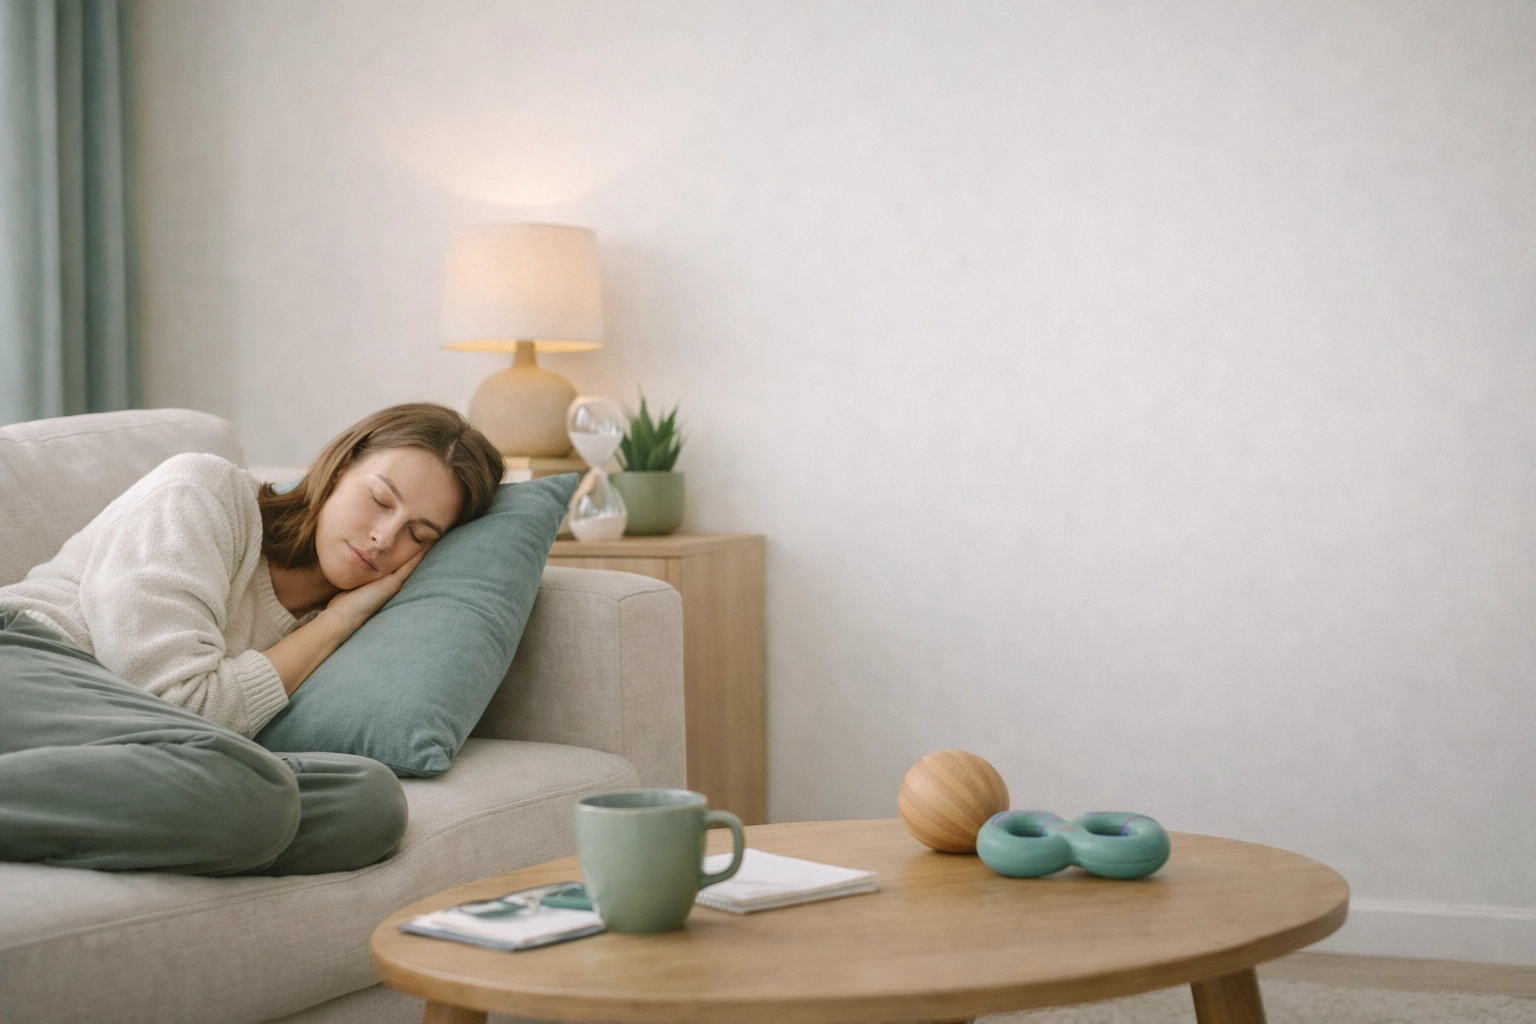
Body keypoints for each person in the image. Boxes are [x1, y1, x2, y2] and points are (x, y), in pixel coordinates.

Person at [0, 403, 504, 875]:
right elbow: (180, 706)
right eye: (379, 499)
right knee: (258, 793)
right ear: (340, 467)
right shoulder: (202, 490)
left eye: (419, 535)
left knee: (369, 803)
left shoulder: (372, 628)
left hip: (122, 741)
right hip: (26, 658)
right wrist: (338, 621)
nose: (384, 537)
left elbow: (199, 742)